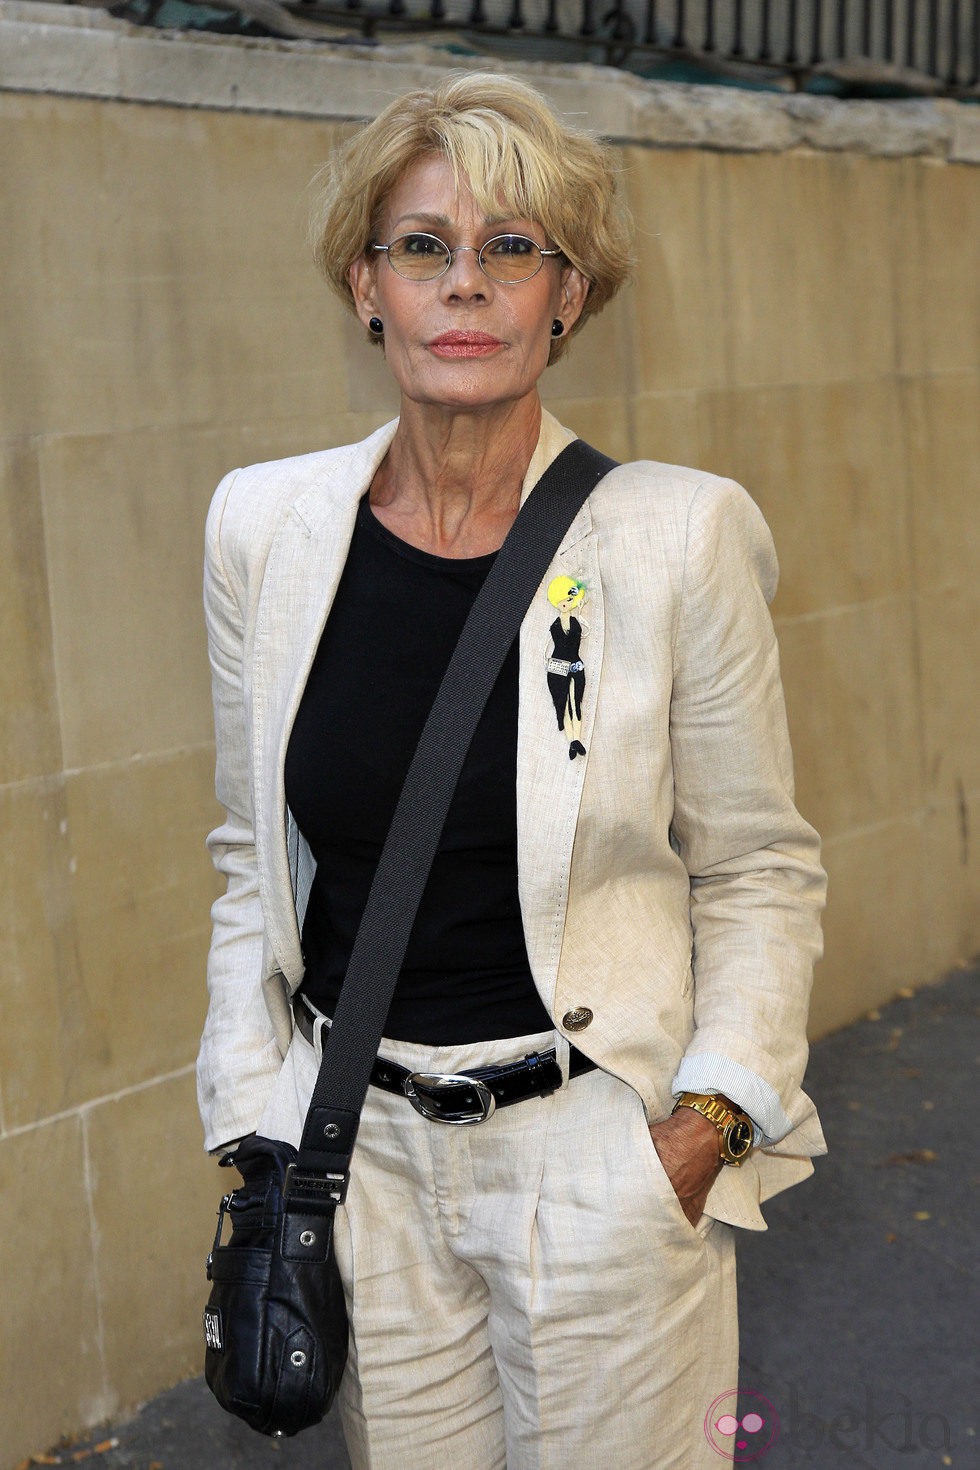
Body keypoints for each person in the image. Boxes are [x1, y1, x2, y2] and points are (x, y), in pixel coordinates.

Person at [197, 71, 827, 1470]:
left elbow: (759, 865)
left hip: (596, 1153)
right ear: (368, 288)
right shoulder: (265, 531)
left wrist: (707, 1122)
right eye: (424, 246)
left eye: (510, 248)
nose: (463, 285)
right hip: (364, 1156)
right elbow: (252, 851)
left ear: (568, 296)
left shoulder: (678, 537)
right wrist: (260, 1117)